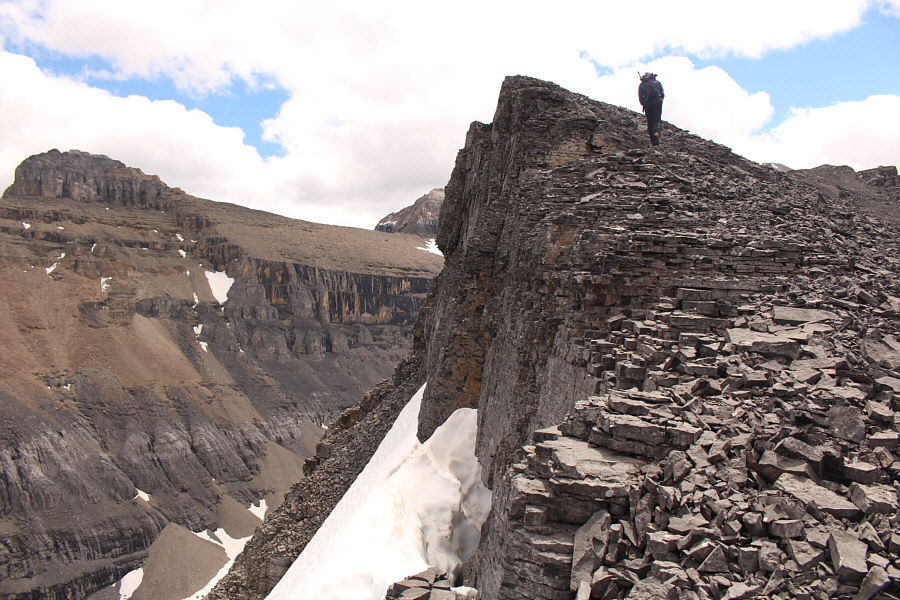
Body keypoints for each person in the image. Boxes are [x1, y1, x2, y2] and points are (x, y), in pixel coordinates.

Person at [638, 72, 664, 146]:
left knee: (650, 121)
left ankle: (652, 139)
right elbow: (662, 93)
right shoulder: (657, 82)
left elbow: (640, 96)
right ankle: (656, 132)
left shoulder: (642, 84)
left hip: (647, 103)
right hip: (657, 102)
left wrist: (644, 104)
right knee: (657, 119)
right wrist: (660, 100)